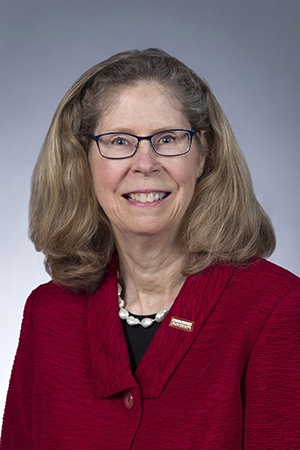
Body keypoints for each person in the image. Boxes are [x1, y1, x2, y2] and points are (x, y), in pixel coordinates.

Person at [1, 48, 300, 450]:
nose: (145, 163)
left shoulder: (276, 309)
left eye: (168, 139)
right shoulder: (48, 313)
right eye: (119, 140)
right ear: (84, 159)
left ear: (203, 154)